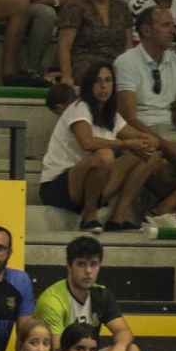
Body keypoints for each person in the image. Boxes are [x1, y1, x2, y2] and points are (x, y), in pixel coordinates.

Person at [114, 4, 176, 229]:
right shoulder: (126, 62)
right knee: (157, 159)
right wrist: (170, 149)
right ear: (147, 30)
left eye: (173, 25)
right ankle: (173, 207)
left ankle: (167, 206)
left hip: (172, 130)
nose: (173, 30)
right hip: (142, 130)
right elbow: (128, 117)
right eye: (166, 25)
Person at [41, 66, 160, 232]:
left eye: (108, 80)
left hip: (93, 184)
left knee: (149, 154)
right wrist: (127, 144)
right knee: (105, 155)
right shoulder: (79, 107)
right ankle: (89, 216)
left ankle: (117, 219)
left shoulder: (110, 114)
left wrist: (150, 140)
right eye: (98, 81)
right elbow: (87, 143)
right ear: (89, 86)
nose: (103, 86)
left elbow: (138, 137)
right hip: (59, 185)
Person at [35, 236, 150, 351]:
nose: (88, 271)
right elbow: (57, 350)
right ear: (69, 266)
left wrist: (119, 349)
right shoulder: (52, 300)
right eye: (81, 264)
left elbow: (124, 331)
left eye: (93, 264)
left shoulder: (101, 295)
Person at [56, 0, 137, 88]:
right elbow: (64, 46)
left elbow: (128, 46)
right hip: (87, 65)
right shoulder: (75, 7)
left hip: (117, 64)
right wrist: (66, 76)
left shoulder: (122, 8)